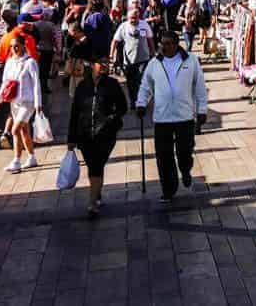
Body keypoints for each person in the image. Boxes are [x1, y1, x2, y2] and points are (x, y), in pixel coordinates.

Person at [135, 31, 208, 204]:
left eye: (168, 44)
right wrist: (141, 103)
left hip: (185, 116)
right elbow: (146, 85)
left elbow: (199, 87)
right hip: (162, 117)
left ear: (176, 44)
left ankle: (185, 169)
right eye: (162, 43)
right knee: (163, 156)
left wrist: (202, 110)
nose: (164, 47)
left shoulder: (190, 61)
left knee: (184, 151)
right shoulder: (154, 63)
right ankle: (168, 189)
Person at [67, 54, 128, 218]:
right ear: (92, 65)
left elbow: (123, 107)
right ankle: (97, 192)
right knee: (92, 166)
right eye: (101, 62)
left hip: (105, 134)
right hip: (85, 134)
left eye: (106, 63)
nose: (104, 65)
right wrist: (71, 138)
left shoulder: (112, 85)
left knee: (96, 165)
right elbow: (74, 113)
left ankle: (92, 203)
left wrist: (110, 120)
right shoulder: (82, 87)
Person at [0, 35, 42, 173]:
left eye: (16, 46)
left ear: (23, 45)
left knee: (14, 130)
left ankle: (16, 161)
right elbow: (5, 83)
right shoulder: (9, 62)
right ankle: (32, 157)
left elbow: (36, 84)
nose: (14, 49)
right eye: (12, 46)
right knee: (24, 130)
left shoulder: (30, 62)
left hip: (28, 102)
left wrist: (38, 104)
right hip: (14, 102)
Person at [112, 7, 155, 106]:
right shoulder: (123, 27)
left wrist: (153, 52)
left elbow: (150, 39)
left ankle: (141, 101)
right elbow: (115, 41)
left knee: (141, 81)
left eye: (135, 18)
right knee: (131, 83)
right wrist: (112, 54)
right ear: (128, 18)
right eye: (131, 18)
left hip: (143, 59)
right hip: (129, 61)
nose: (133, 20)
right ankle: (133, 101)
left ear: (138, 17)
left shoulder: (144, 24)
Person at [33, 14, 59, 96]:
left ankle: (38, 86)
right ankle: (44, 86)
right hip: (48, 49)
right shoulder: (51, 25)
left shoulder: (35, 24)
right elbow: (54, 38)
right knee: (46, 69)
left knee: (38, 69)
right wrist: (57, 48)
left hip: (38, 49)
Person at [66, 22, 92, 96]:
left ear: (76, 31)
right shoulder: (75, 39)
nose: (69, 34)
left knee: (79, 87)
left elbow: (74, 53)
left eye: (70, 32)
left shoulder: (84, 40)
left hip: (81, 67)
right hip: (76, 67)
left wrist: (77, 44)